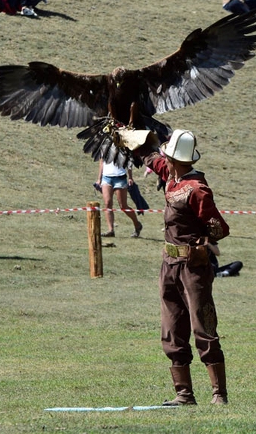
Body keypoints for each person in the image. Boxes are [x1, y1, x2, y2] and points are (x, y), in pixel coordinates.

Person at [136, 130, 229, 406]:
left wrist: (205, 239)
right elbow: (152, 159)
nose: (164, 159)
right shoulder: (171, 175)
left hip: (192, 266)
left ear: (175, 158)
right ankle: (184, 394)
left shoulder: (197, 188)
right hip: (169, 265)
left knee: (204, 327)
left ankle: (218, 395)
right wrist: (130, 138)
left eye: (167, 156)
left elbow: (220, 228)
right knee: (172, 328)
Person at [96, 159, 142, 238]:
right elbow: (101, 162)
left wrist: (130, 177)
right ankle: (111, 230)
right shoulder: (103, 147)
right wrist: (99, 179)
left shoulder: (122, 147)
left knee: (123, 206)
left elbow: (129, 162)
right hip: (106, 177)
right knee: (107, 204)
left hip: (120, 177)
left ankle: (137, 224)